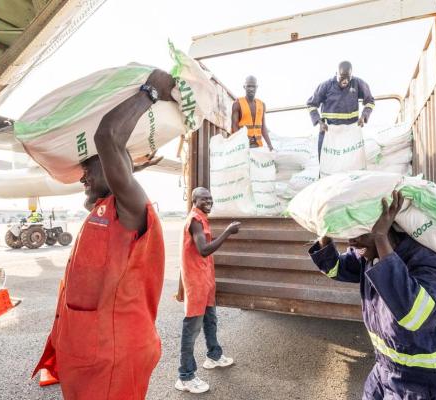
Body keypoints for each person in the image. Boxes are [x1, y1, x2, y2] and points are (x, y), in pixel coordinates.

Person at [32, 69, 176, 400]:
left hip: (113, 357)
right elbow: (95, 185)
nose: (82, 174)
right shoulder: (102, 210)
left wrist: (150, 91)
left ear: (117, 169)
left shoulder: (132, 207)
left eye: (89, 167)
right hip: (90, 353)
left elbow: (107, 136)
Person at [308, 191, 436, 400]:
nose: (352, 242)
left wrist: (380, 238)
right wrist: (324, 231)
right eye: (351, 234)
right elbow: (335, 268)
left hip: (423, 386)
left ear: (387, 225)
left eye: (361, 234)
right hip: (384, 373)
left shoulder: (429, 263)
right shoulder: (368, 255)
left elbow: (416, 315)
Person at [173, 187, 241, 394]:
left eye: (211, 198)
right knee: (191, 328)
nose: (209, 201)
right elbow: (203, 250)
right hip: (196, 283)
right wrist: (228, 232)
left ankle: (214, 355)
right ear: (194, 200)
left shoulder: (202, 217)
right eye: (204, 198)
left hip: (205, 281)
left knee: (210, 320)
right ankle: (185, 376)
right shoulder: (195, 219)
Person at [306, 61, 375, 158]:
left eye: (348, 78)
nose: (345, 81)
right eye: (342, 78)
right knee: (327, 162)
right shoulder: (326, 86)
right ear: (336, 74)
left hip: (350, 131)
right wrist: (319, 122)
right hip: (329, 131)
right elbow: (311, 104)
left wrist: (364, 116)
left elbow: (370, 101)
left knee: (350, 161)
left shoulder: (357, 83)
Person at [231, 75, 273, 150]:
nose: (251, 89)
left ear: (256, 87)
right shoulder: (237, 103)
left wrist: (270, 145)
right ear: (244, 87)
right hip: (243, 145)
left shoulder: (262, 105)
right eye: (249, 86)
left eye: (253, 86)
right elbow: (234, 126)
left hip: (258, 145)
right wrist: (240, 144)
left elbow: (263, 127)